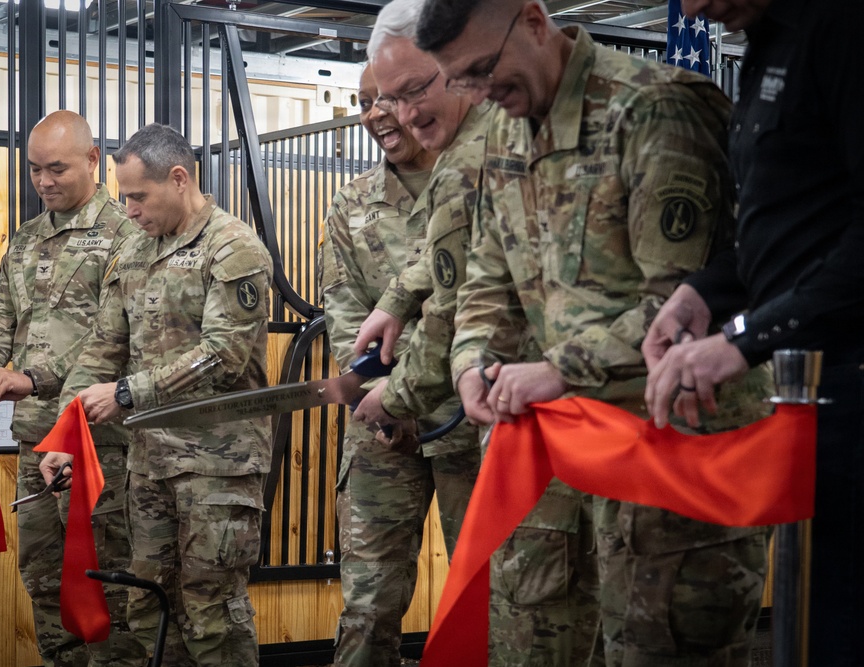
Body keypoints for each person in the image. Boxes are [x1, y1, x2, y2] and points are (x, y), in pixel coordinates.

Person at [416, 0, 773, 665]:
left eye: (482, 67)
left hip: (676, 461)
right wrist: (472, 363)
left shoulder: (653, 111)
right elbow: (488, 278)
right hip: (573, 456)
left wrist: (557, 370)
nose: (478, 91)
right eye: (458, 79)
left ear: (532, 19)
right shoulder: (502, 130)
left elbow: (683, 303)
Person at [643, 1, 864, 665]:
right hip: (805, 388)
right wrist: (703, 294)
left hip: (853, 380)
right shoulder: (763, 43)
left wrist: (744, 337)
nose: (699, 8)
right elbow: (786, 226)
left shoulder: (842, 29)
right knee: (811, 625)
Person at [44, 123, 273, 665]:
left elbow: (223, 354)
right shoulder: (135, 252)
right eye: (124, 197)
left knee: (211, 613)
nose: (129, 210)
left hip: (217, 467)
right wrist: (66, 434)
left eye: (138, 196)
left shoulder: (233, 246)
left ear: (179, 178)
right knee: (149, 609)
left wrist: (128, 393)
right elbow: (101, 349)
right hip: (149, 464)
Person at [0, 110, 147, 667]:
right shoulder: (30, 239)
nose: (44, 181)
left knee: (108, 586)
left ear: (91, 160)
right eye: (34, 170)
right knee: (43, 581)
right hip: (38, 442)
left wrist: (35, 377)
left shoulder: (128, 234)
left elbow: (118, 337)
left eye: (56, 168)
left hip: (100, 444)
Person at [319, 61, 480, 667]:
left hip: (473, 420)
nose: (375, 113)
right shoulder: (351, 204)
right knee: (368, 602)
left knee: (486, 590)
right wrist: (380, 396)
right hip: (380, 429)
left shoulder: (476, 180)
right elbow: (343, 311)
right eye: (364, 102)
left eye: (387, 97)